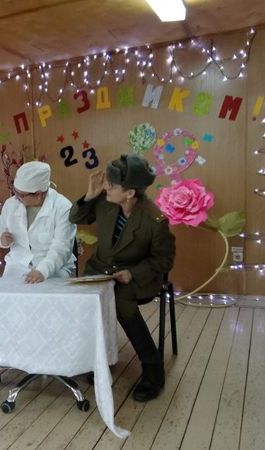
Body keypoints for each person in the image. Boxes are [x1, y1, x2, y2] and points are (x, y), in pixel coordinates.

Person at [69, 154, 175, 401]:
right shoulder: (105, 201)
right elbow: (76, 218)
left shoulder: (154, 220)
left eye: (112, 184)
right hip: (100, 269)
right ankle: (99, 358)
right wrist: (90, 195)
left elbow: (164, 260)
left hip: (135, 276)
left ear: (129, 193)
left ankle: (153, 368)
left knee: (120, 300)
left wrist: (133, 273)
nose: (107, 186)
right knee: (86, 300)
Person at [0, 161, 76, 283]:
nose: (16, 197)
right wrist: (1, 239)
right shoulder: (11, 204)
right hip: (17, 266)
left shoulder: (63, 207)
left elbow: (61, 247)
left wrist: (43, 271)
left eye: (21, 194)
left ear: (38, 194)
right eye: (15, 191)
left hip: (54, 268)